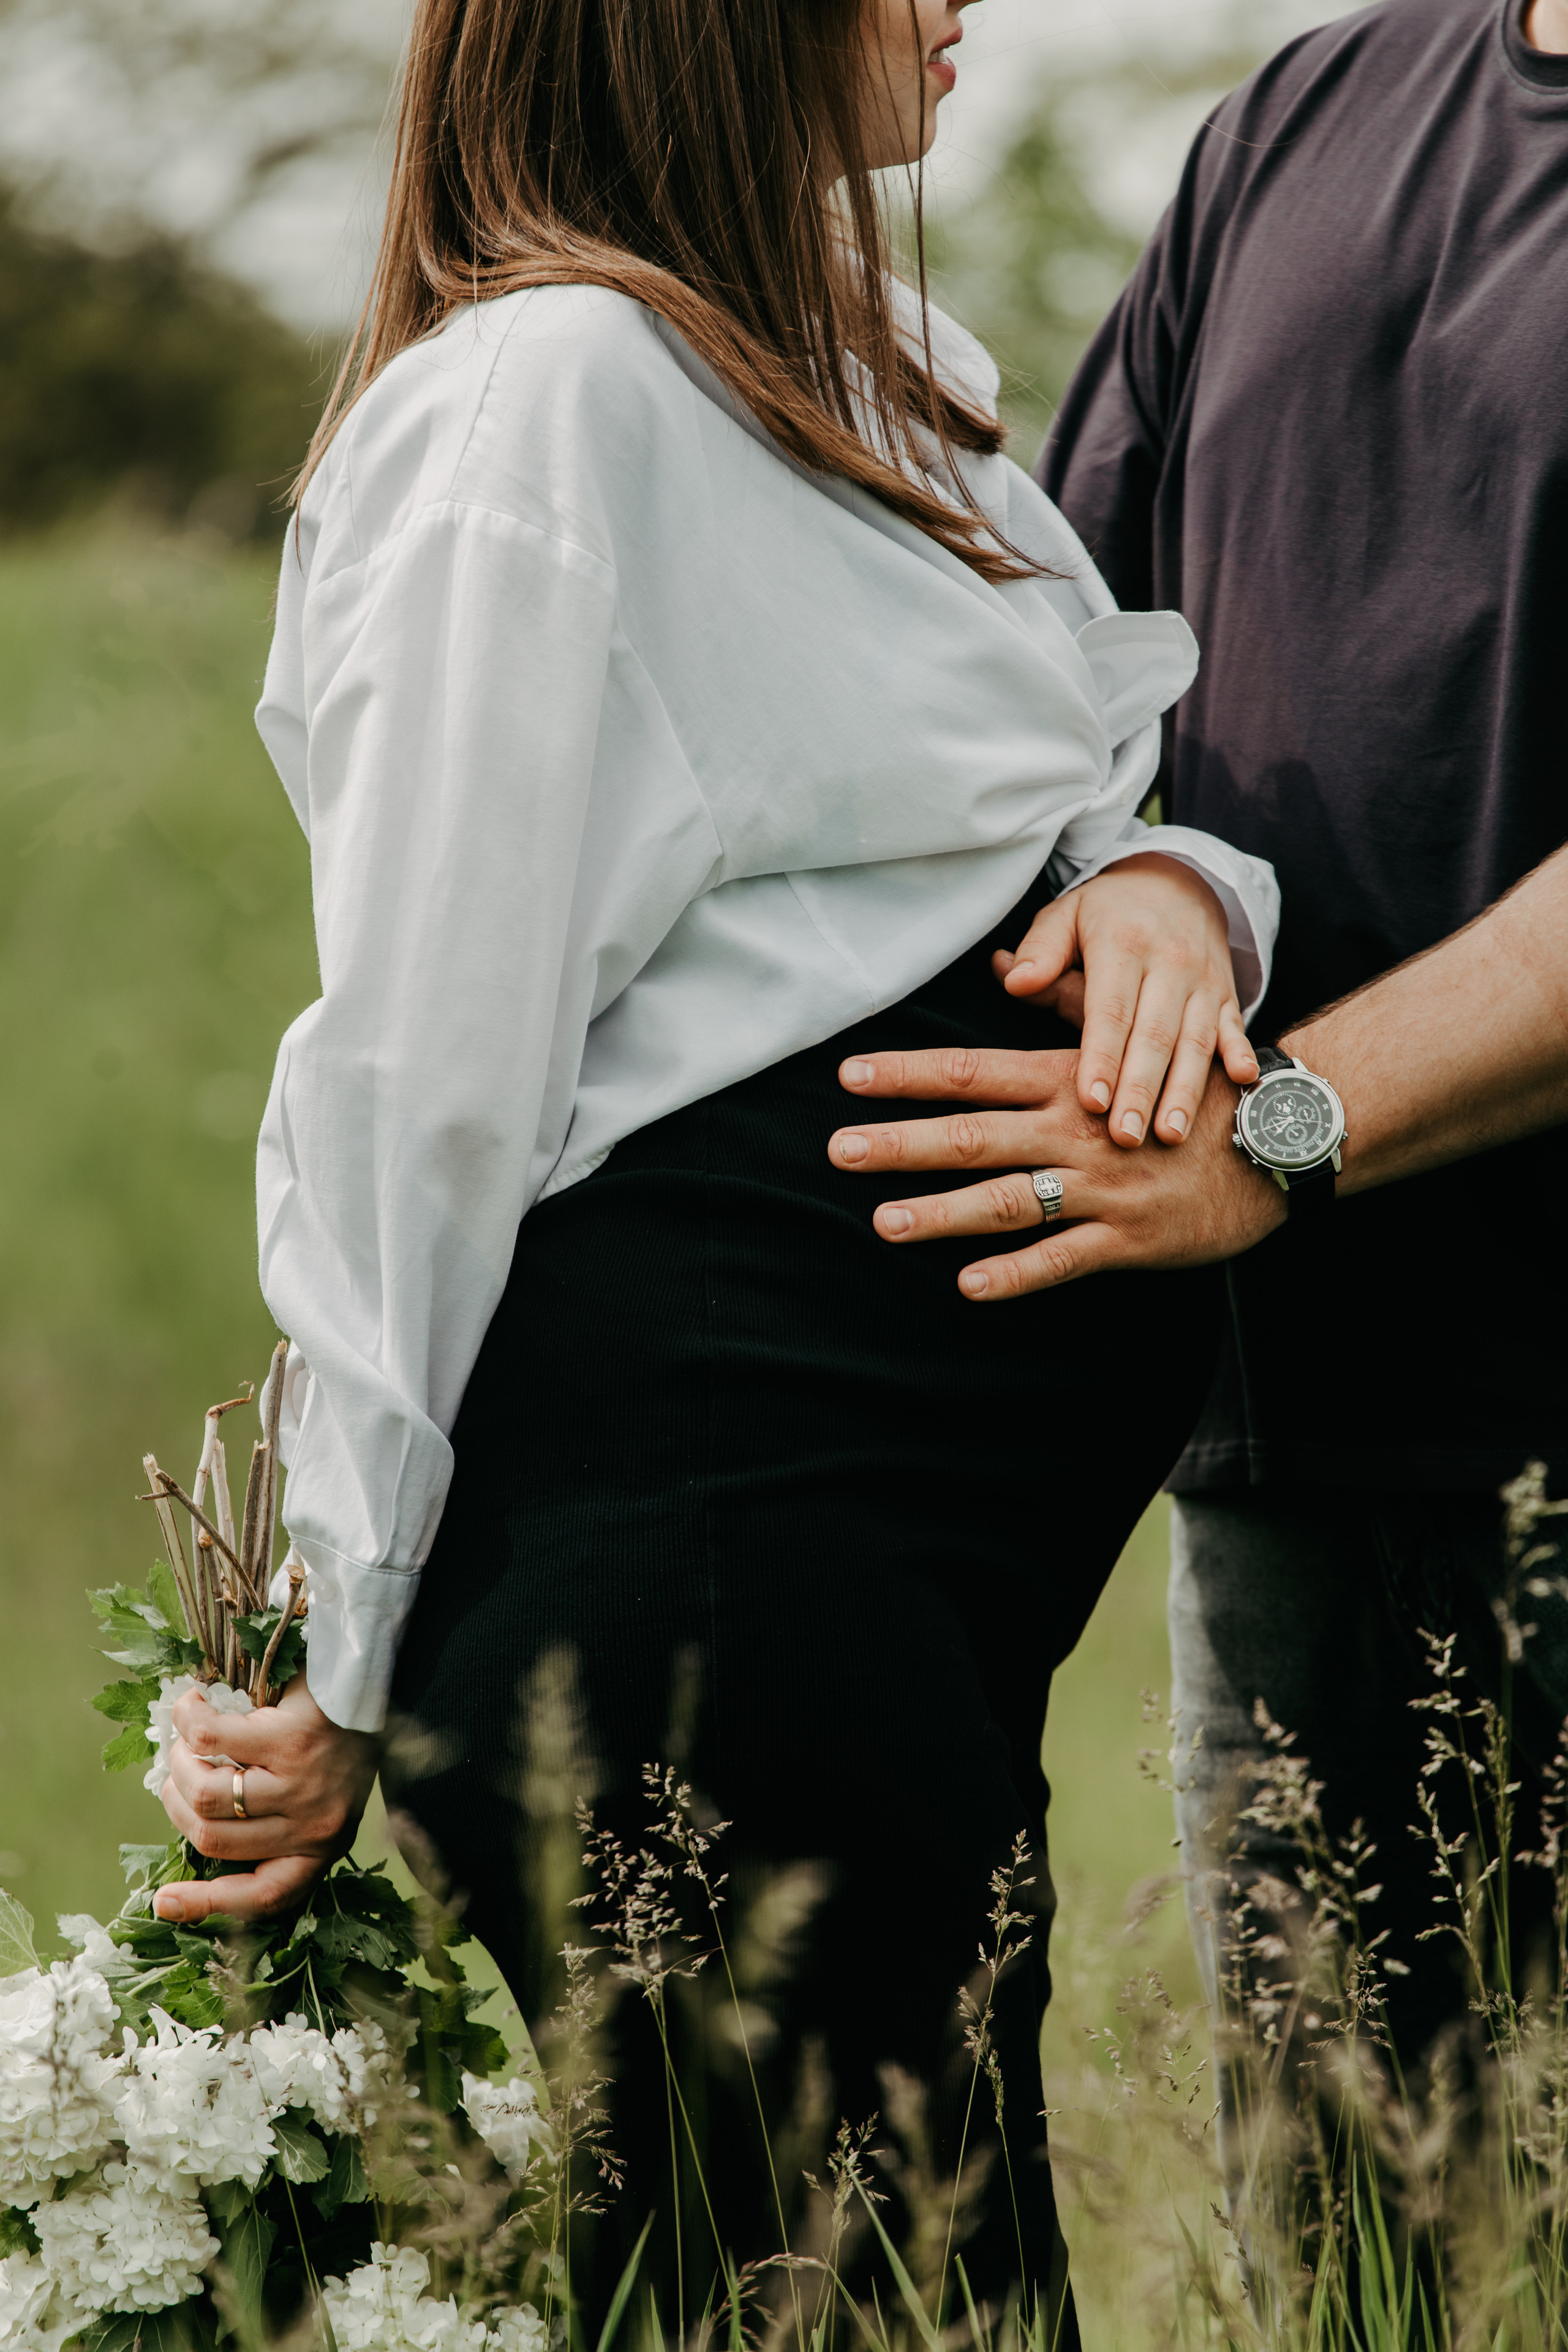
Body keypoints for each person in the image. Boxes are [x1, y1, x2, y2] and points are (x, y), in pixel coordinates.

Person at [139, 0, 1281, 2331]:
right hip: (720, 1583)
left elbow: (1053, 780)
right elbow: (427, 1069)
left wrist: (1177, 893)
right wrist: (334, 1645)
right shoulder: (547, 404)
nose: (964, 6)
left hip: (880, 1604)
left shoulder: (851, 368)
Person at [826, 0, 1568, 2168]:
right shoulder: (1309, 113)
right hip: (1295, 1430)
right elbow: (1060, 673)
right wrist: (1140, 870)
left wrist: (1287, 1121)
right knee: (1357, 2250)